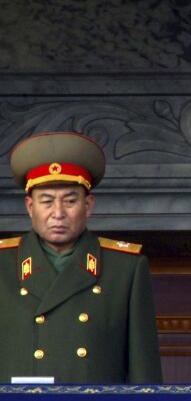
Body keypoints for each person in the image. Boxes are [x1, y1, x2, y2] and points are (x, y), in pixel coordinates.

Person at [0, 131, 162, 384]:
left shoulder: (125, 268)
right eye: (46, 201)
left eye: (70, 201)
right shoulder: (3, 264)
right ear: (30, 207)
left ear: (88, 205)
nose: (58, 213)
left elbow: (144, 371)